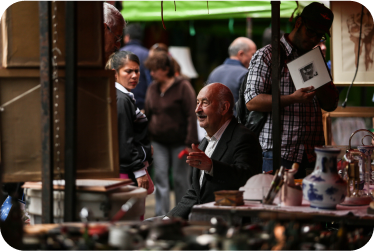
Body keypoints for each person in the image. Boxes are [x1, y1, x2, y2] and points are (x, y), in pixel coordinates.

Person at [244, 2, 339, 178]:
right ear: (298, 23)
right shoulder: (269, 55)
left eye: (319, 36)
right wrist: (293, 98)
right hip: (278, 154)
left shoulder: (315, 57)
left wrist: (320, 82)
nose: (313, 39)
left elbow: (331, 105)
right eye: (310, 32)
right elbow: (252, 102)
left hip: (313, 155)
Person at [165, 83, 262, 220]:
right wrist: (169, 219)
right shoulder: (206, 141)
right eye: (197, 103)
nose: (197, 109)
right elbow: (195, 193)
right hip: (201, 218)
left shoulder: (244, 137)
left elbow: (247, 178)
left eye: (205, 103)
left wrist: (211, 166)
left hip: (226, 222)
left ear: (224, 108)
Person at [144, 51, 199, 216]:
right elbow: (148, 112)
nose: (152, 73)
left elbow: (191, 114)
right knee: (160, 178)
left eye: (155, 70)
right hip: (158, 141)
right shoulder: (152, 88)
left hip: (180, 142)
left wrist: (190, 143)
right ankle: (162, 215)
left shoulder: (183, 87)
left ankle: (181, 215)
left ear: (165, 69)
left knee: (180, 179)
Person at [107, 51, 153, 191]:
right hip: (128, 172)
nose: (134, 75)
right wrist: (139, 171)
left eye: (137, 71)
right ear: (115, 73)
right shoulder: (121, 99)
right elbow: (124, 138)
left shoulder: (123, 96)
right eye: (128, 71)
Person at [207, 37, 257, 114]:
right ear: (241, 54)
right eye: (253, 54)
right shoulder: (245, 74)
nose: (255, 59)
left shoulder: (214, 73)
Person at [120, 23, 152, 111]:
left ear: (127, 37)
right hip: (143, 107)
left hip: (123, 105)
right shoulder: (148, 55)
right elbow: (151, 82)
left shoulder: (118, 55)